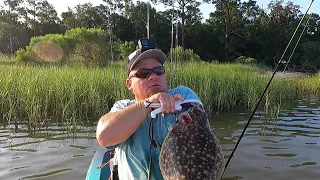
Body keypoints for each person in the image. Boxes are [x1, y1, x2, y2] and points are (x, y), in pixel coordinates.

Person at [96, 44, 201, 180]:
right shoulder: (122, 107)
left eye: (158, 70)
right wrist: (149, 103)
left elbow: (201, 129)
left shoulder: (182, 95)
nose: (153, 76)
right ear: (129, 84)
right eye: (143, 73)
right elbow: (105, 136)